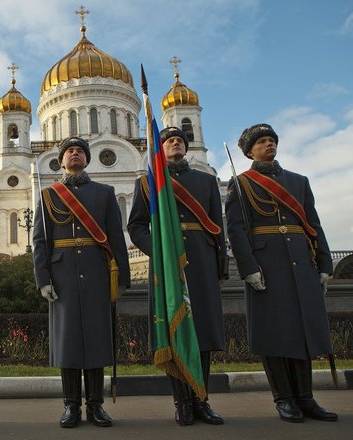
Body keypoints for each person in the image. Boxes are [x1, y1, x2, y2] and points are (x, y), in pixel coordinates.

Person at [225, 123, 337, 423]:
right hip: (267, 265)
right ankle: (284, 399)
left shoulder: (299, 181)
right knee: (275, 331)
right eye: (262, 141)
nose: (269, 144)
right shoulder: (241, 183)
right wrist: (249, 268)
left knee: (302, 330)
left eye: (271, 140)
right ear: (250, 152)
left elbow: (313, 224)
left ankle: (306, 398)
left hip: (301, 262)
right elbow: (236, 230)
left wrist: (324, 264)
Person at [127, 127, 227, 425]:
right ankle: (182, 402)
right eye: (169, 140)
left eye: (180, 140)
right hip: (167, 267)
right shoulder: (147, 183)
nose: (175, 143)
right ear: (160, 149)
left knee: (202, 332)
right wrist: (159, 250)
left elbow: (217, 226)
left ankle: (201, 399)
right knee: (173, 329)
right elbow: (137, 226)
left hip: (201, 261)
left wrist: (220, 265)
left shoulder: (206, 181)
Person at [32, 137, 130, 428]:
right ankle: (71, 406)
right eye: (69, 152)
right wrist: (43, 279)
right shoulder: (48, 195)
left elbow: (116, 237)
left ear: (87, 159)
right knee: (69, 341)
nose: (74, 154)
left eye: (80, 151)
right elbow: (40, 241)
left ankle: (96, 405)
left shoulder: (105, 193)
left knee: (97, 338)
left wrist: (121, 278)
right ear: (61, 160)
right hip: (62, 275)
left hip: (97, 270)